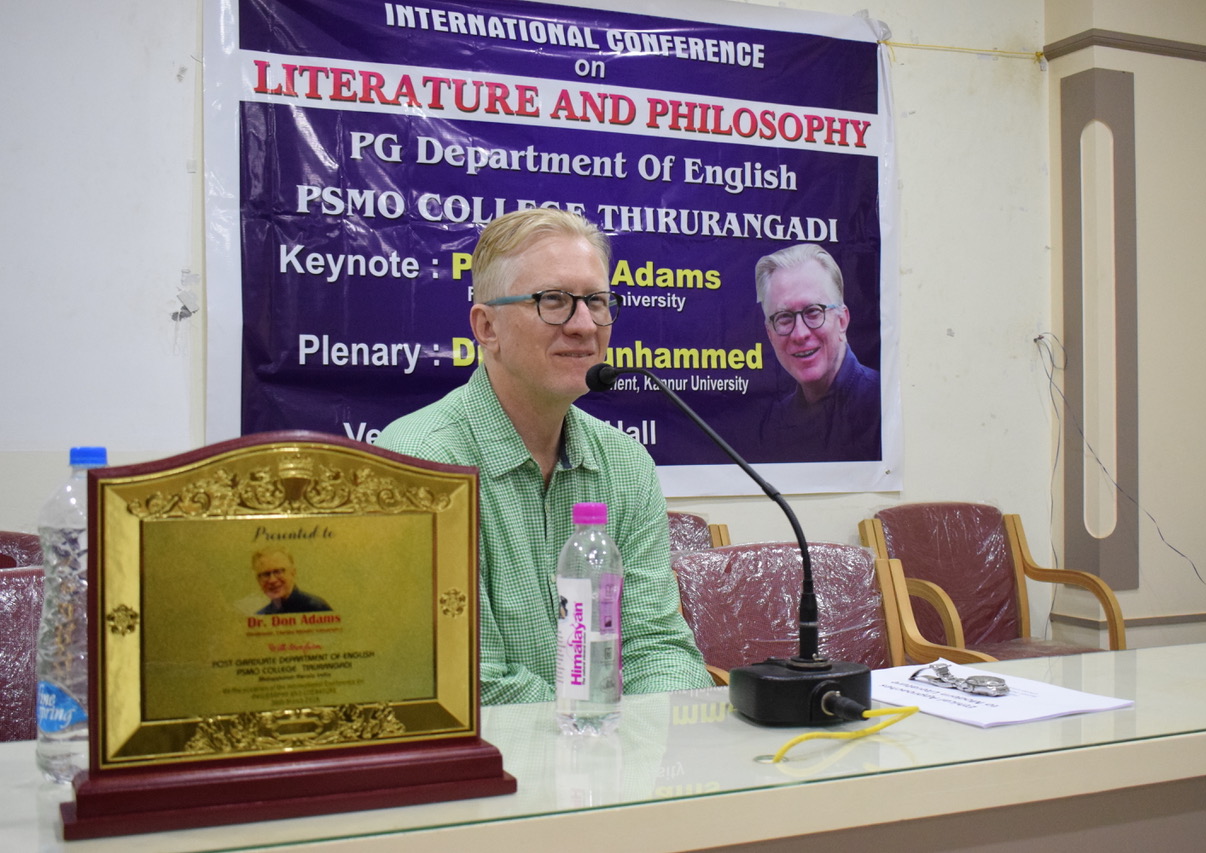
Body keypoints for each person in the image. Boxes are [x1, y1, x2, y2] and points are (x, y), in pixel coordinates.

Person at [377, 207, 712, 704]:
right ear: (486, 327)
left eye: (597, 302)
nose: (584, 325)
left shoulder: (626, 464)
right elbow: (469, 683)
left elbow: (658, 649)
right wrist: (592, 727)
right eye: (553, 301)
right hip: (491, 771)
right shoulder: (419, 462)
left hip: (621, 765)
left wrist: (645, 751)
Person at [755, 243, 881, 462]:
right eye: (784, 317)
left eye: (814, 312)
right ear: (769, 334)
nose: (800, 334)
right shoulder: (773, 425)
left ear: (842, 320)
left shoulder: (883, 406)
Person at [252, 546, 332, 614]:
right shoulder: (260, 617)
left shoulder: (316, 608)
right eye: (266, 574)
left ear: (293, 573)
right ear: (258, 580)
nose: (272, 580)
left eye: (278, 572)